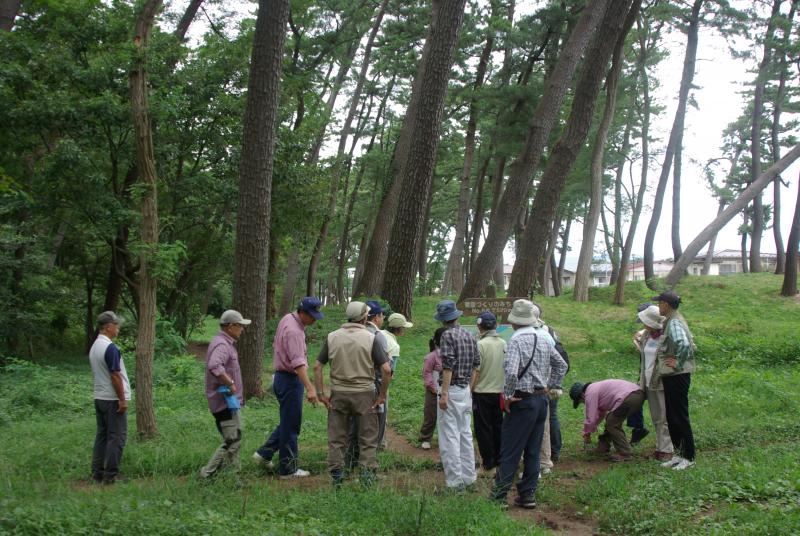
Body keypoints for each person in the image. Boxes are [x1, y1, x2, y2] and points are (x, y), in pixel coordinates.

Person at [489, 299, 567, 509]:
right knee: (533, 449)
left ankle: (499, 495)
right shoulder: (543, 338)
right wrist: (552, 386)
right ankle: (527, 495)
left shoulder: (515, 341)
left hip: (522, 400)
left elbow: (512, 372)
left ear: (514, 321)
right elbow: (561, 364)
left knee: (511, 449)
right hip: (542, 400)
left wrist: (506, 396)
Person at [314, 301, 392, 487]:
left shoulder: (332, 337)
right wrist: (381, 395)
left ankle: (337, 476)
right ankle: (367, 475)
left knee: (337, 436)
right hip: (364, 393)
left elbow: (317, 366)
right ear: (365, 317)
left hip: (339, 393)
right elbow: (387, 370)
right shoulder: (370, 338)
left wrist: (320, 393)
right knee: (367, 437)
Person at [253, 297, 323, 479]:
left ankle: (264, 454)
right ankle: (288, 469)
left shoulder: (288, 318)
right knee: (292, 426)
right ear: (303, 312)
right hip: (290, 380)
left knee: (288, 422)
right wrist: (310, 387)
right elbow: (298, 364)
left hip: (282, 378)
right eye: (312, 316)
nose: (314, 320)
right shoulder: (294, 332)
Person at [435, 300, 480, 491]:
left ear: (443, 320)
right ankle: (469, 477)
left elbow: (448, 366)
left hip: (451, 390)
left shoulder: (447, 336)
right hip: (464, 391)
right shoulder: (470, 335)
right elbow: (477, 364)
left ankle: (454, 482)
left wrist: (444, 393)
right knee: (465, 434)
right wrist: (469, 388)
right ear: (456, 316)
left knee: (449, 437)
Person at [200, 310, 250, 479]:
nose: (242, 329)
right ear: (231, 326)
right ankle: (207, 474)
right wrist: (230, 382)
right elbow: (214, 365)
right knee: (232, 440)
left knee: (236, 438)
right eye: (240, 326)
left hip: (229, 402)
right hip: (224, 403)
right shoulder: (222, 345)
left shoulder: (224, 343)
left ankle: (234, 477)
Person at [651, 291, 696, 470]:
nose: (658, 306)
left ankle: (689, 457)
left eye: (660, 303)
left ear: (666, 305)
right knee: (672, 415)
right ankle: (679, 454)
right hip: (672, 376)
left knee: (679, 416)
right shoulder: (670, 320)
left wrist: (678, 362)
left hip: (678, 375)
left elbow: (684, 344)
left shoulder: (674, 321)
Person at [345, 300, 389, 469]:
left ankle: (350, 461)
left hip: (349, 385)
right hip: (373, 385)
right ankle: (368, 464)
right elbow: (385, 367)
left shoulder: (346, 334)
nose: (383, 318)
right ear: (375, 317)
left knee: (353, 426)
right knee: (374, 425)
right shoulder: (377, 336)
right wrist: (382, 394)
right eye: (382, 315)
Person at [89, 311, 131, 485]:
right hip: (112, 399)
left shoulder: (95, 346)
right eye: (116, 325)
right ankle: (111, 475)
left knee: (102, 436)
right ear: (108, 327)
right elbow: (115, 375)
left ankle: (97, 473)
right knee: (117, 437)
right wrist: (122, 399)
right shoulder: (110, 348)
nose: (118, 328)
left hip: (99, 397)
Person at [569, 379, 645, 461]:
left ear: (581, 395)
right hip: (636, 394)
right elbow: (601, 415)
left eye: (581, 401)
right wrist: (592, 428)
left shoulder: (590, 393)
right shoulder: (595, 388)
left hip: (631, 396)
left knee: (612, 423)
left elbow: (590, 417)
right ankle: (603, 446)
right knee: (611, 419)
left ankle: (625, 453)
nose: (584, 403)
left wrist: (586, 432)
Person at [636, 305, 673, 461]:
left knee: (664, 416)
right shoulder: (647, 336)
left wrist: (675, 361)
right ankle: (659, 447)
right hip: (648, 380)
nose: (643, 324)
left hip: (661, 381)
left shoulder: (666, 336)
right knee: (656, 416)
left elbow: (686, 347)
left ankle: (667, 449)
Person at [471, 311, 506, 473]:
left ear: (479, 326)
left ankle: (489, 463)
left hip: (482, 392)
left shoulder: (480, 345)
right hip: (500, 392)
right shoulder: (504, 343)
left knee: (483, 428)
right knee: (498, 426)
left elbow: (475, 371)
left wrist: (469, 390)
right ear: (495, 326)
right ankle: (500, 460)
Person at [534, 304, 569, 464]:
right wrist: (555, 383)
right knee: (551, 417)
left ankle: (540, 457)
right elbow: (561, 363)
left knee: (541, 421)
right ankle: (554, 452)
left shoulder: (535, 334)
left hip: (540, 384)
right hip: (551, 382)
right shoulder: (550, 331)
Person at [378, 312, 412, 449]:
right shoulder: (394, 346)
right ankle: (381, 443)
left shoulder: (379, 334)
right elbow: (390, 371)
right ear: (398, 329)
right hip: (381, 382)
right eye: (403, 327)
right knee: (382, 413)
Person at [419, 327, 446, 450]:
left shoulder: (452, 354)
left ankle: (445, 438)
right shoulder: (431, 357)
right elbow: (427, 373)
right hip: (433, 391)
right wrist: (433, 388)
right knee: (430, 414)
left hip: (447, 390)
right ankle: (425, 437)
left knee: (447, 415)